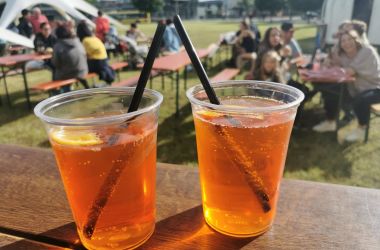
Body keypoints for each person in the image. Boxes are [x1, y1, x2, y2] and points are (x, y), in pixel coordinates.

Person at [313, 30, 380, 142]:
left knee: (361, 99)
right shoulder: (344, 54)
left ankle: (362, 129)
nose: (347, 43)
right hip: (355, 88)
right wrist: (329, 61)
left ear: (356, 40)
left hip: (375, 88)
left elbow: (349, 71)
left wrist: (334, 65)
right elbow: (331, 60)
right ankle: (331, 122)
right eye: (343, 41)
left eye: (350, 39)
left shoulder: (366, 51)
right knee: (331, 89)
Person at [52, 25, 89, 93]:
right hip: (83, 70)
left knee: (56, 72)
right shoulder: (77, 41)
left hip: (69, 74)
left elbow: (55, 63)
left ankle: (59, 92)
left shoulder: (58, 46)